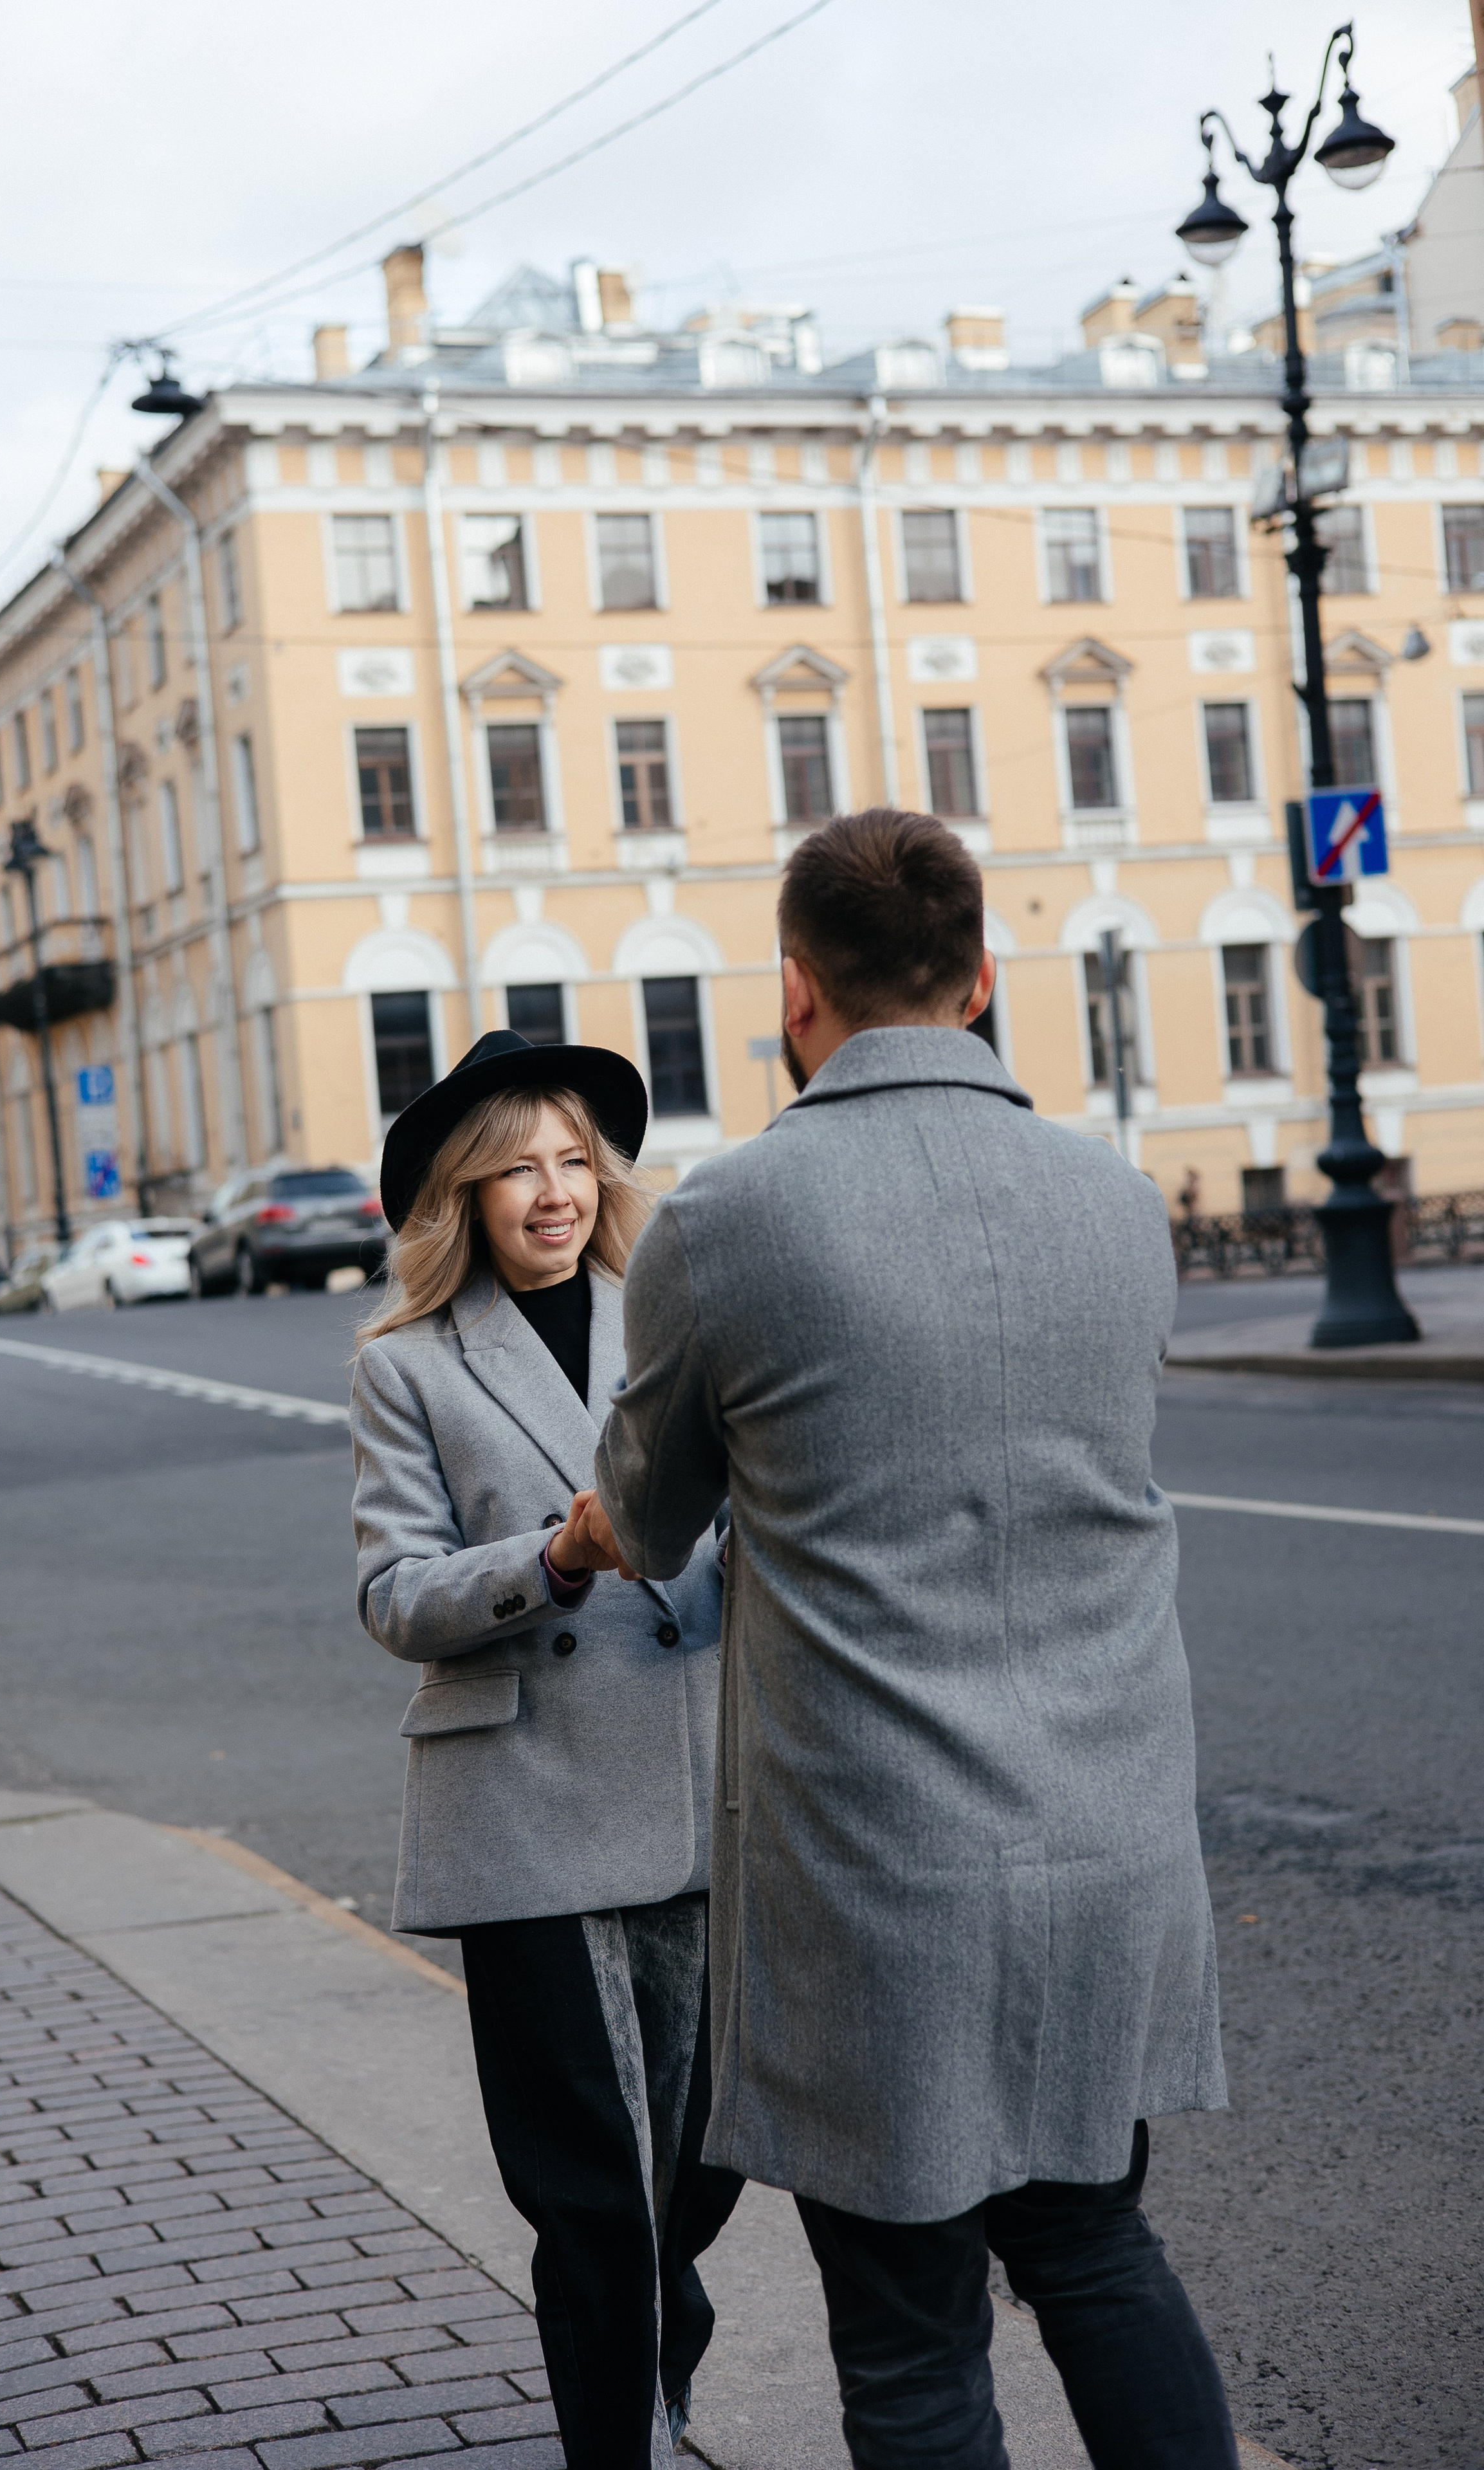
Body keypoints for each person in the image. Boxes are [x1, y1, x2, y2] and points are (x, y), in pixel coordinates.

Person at [566, 811, 1237, 2470]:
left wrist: (572, 1533)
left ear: (792, 987)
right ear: (982, 977)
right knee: (1093, 2252)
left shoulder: (727, 1223)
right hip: (1103, 1833)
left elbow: (644, 1522)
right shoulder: (1114, 1203)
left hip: (875, 1869)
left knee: (908, 2337)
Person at [349, 1029, 739, 2470]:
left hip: (699, 1791)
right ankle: (615, 2435)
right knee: (589, 2197)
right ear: (462, 1195)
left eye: (574, 1158)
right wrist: (555, 1557)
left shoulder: (678, 1319)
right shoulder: (409, 1369)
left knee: (691, 2176)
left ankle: (657, 2311)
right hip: (524, 1806)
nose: (553, 1191)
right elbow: (394, 1596)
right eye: (514, 1167)